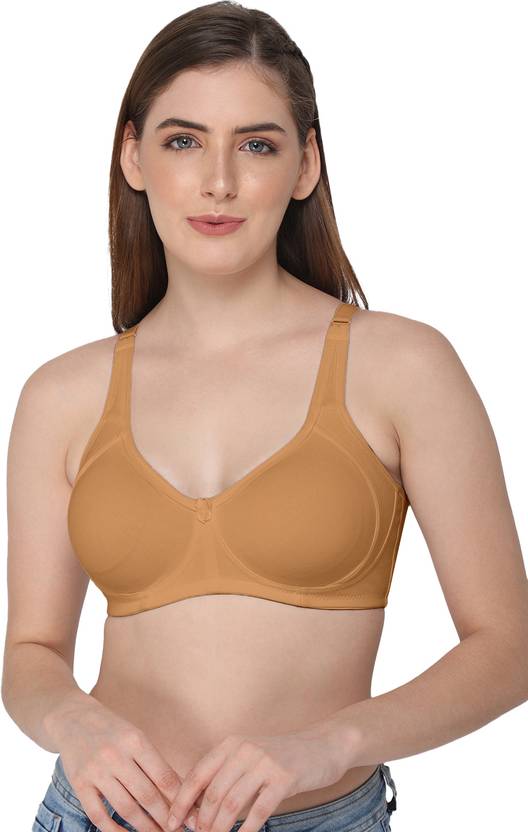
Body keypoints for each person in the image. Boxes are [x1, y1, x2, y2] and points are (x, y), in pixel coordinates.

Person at [3, 3, 527, 832]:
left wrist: (332, 743)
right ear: (133, 156)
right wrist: (73, 722)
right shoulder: (60, 395)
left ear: (306, 165)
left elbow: (509, 648)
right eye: (183, 141)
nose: (218, 181)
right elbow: (30, 653)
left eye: (256, 145)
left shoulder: (403, 367)